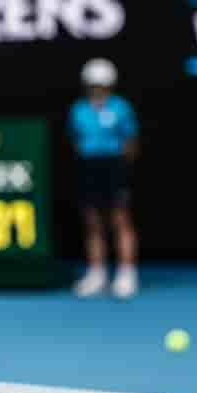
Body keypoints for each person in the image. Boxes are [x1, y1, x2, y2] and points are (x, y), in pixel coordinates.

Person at [69, 58, 140, 299]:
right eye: (93, 84)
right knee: (92, 222)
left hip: (114, 167)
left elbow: (130, 143)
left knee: (120, 220)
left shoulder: (121, 108)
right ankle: (97, 274)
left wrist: (121, 169)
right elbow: (76, 140)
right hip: (89, 167)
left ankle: (126, 274)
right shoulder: (79, 110)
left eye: (102, 84)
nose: (97, 88)